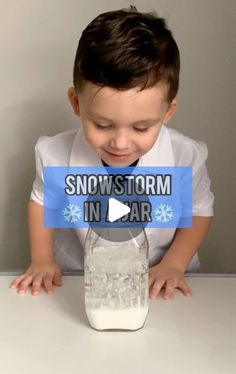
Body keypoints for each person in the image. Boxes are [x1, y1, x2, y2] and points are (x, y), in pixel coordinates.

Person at [10, 5, 214, 299]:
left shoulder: (186, 157)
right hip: (81, 280)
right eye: (103, 124)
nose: (120, 143)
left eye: (141, 128)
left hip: (157, 283)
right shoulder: (53, 153)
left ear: (167, 112)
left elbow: (198, 211)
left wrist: (173, 264)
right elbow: (42, 203)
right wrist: (42, 259)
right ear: (77, 103)